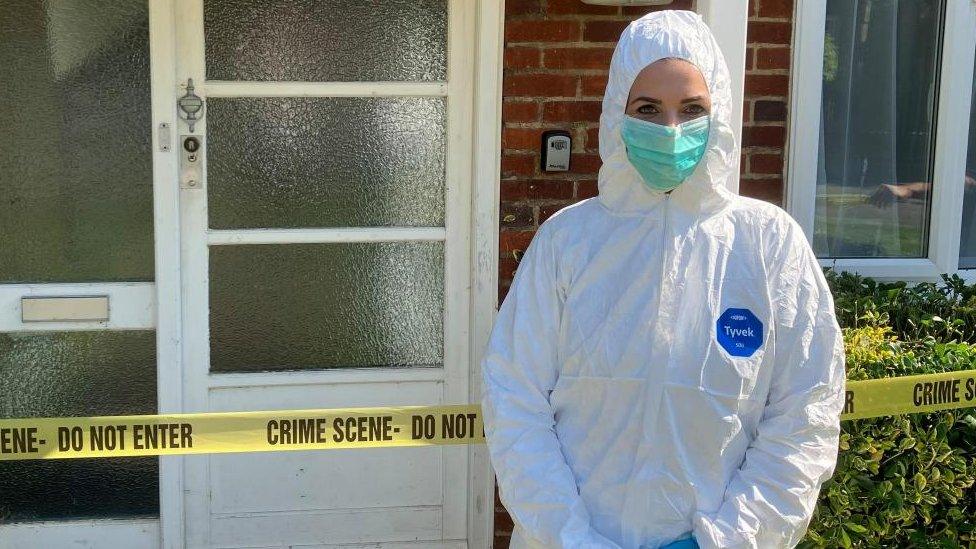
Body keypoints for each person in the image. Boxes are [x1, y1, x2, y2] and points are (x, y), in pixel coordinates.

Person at [480, 10, 847, 549]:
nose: (671, 130)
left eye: (692, 109)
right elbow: (515, 400)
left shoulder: (768, 246)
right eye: (647, 109)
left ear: (717, 114)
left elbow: (805, 415)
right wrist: (573, 539)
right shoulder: (570, 242)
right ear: (616, 114)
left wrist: (724, 541)